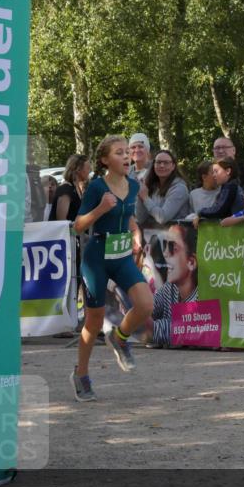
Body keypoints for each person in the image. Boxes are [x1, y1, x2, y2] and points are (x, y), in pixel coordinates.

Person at [71, 135, 152, 401]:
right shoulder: (96, 187)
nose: (127, 157)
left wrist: (136, 232)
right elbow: (78, 225)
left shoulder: (132, 184)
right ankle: (81, 374)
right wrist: (100, 209)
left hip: (122, 256)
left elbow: (127, 214)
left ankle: (119, 338)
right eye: (119, 153)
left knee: (145, 304)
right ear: (105, 160)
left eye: (127, 152)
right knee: (93, 321)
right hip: (97, 257)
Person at [151, 223, 198, 349]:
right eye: (165, 245)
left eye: (172, 247)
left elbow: (183, 328)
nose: (165, 253)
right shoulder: (169, 287)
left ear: (191, 262)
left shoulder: (203, 294)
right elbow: (148, 309)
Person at [135, 149, 191, 229]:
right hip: (155, 238)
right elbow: (141, 219)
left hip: (178, 239)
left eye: (166, 163)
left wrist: (145, 198)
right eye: (158, 162)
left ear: (173, 166)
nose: (162, 165)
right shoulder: (152, 186)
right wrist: (140, 195)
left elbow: (162, 217)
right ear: (154, 165)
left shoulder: (180, 189)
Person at [195, 157, 243, 224]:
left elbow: (219, 210)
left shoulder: (230, 187)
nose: (214, 175)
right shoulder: (232, 186)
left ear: (228, 171)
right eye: (213, 172)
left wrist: (200, 212)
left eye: (216, 171)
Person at [53, 154, 91, 222]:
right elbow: (61, 221)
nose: (90, 171)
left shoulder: (76, 187)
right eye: (88, 168)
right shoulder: (65, 190)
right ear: (78, 169)